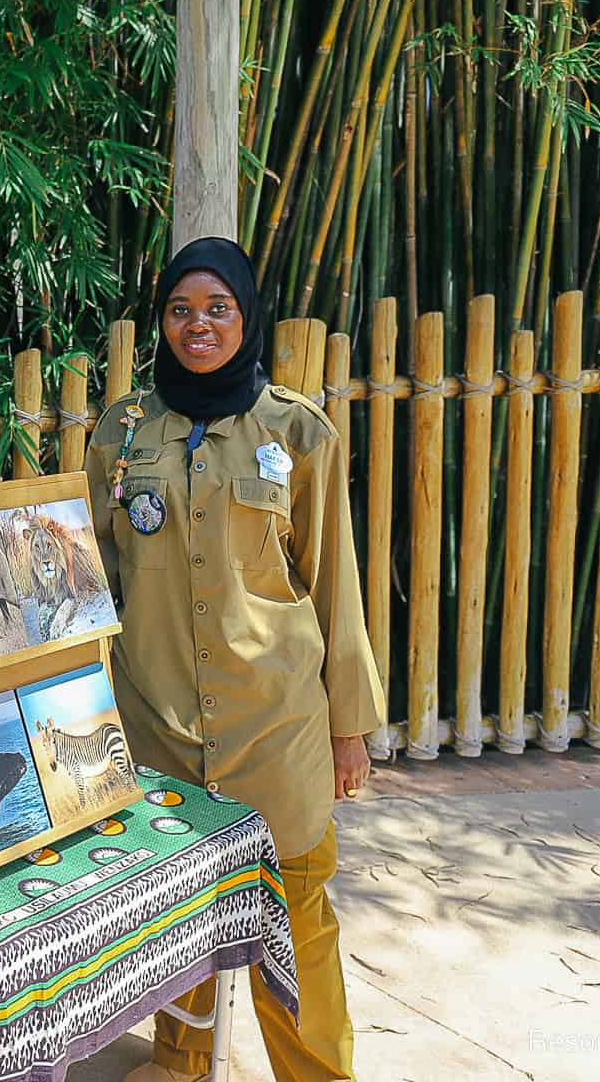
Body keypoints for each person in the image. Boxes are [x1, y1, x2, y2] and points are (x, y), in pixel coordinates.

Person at [84, 236, 382, 1082]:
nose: (199, 325)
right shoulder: (123, 434)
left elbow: (337, 585)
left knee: (296, 931)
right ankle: (182, 1067)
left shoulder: (297, 431)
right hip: (155, 730)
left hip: (276, 733)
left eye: (218, 308)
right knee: (177, 929)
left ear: (247, 315)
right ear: (161, 322)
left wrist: (349, 729)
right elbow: (89, 581)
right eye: (181, 309)